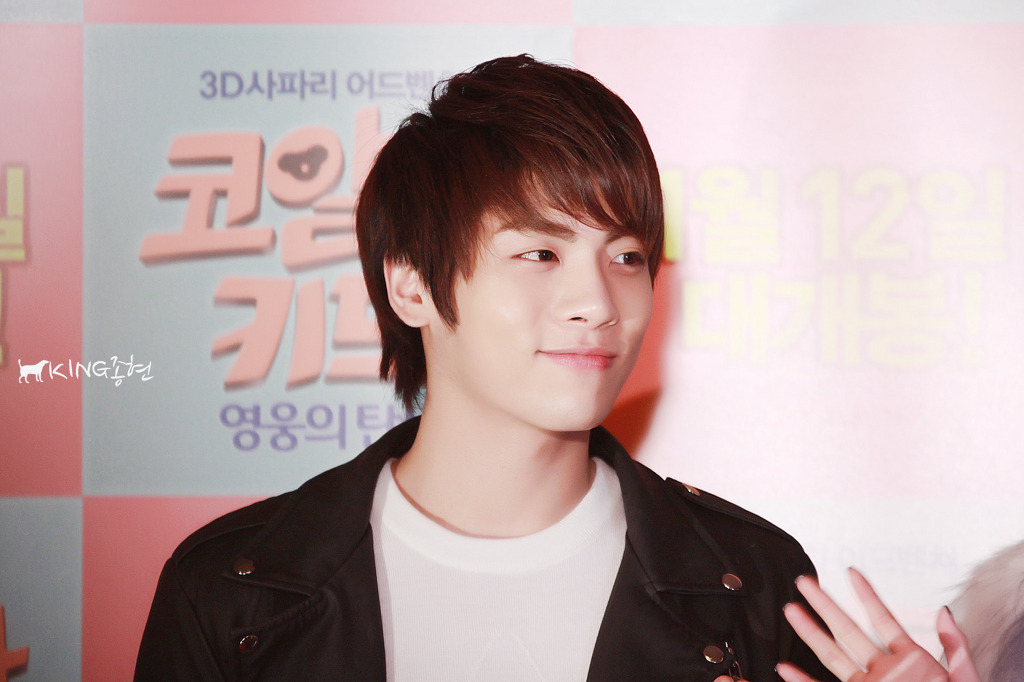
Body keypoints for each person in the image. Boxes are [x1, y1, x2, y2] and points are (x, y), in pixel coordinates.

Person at [134, 54, 953, 681]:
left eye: (626, 256)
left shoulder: (753, 581)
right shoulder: (230, 589)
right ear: (411, 286)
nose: (597, 302)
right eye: (539, 253)